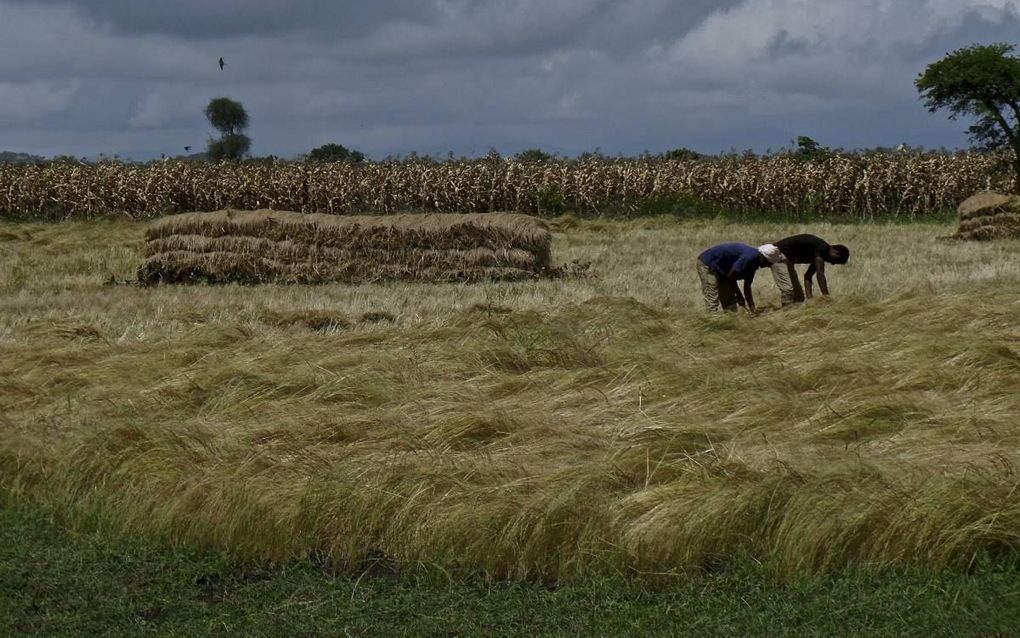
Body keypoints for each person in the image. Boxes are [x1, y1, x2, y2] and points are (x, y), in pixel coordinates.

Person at [767, 234, 850, 305]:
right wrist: (826, 297)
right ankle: (785, 317)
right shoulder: (822, 248)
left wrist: (810, 299)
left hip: (787, 260)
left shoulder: (818, 254)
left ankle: (793, 318)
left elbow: (808, 276)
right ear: (836, 253)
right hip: (777, 255)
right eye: (836, 261)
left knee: (799, 298)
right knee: (788, 291)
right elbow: (820, 274)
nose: (833, 264)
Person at [696, 243, 773, 313]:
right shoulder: (749, 257)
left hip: (723, 270)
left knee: (731, 306)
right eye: (769, 263)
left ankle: (730, 324)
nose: (769, 266)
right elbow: (731, 276)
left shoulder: (754, 263)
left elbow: (747, 286)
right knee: (712, 300)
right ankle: (712, 323)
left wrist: (752, 307)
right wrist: (739, 295)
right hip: (709, 264)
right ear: (764, 258)